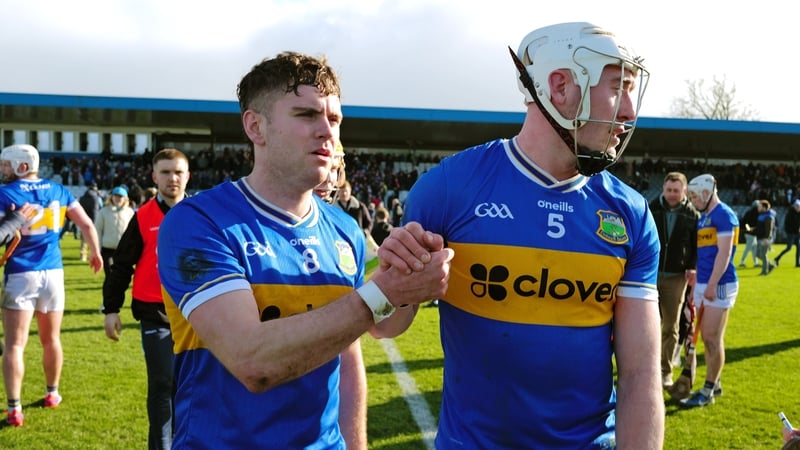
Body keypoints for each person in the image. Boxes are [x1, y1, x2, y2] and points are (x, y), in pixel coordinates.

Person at [156, 51, 452, 448]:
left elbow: (369, 336)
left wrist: (408, 283)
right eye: (306, 115)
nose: (327, 132)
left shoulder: (343, 228)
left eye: (334, 119)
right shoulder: (199, 221)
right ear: (256, 126)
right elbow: (253, 361)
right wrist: (384, 292)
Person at [392, 22, 663, 448]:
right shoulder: (449, 187)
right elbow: (390, 325)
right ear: (559, 87)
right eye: (617, 87)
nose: (629, 110)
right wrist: (394, 285)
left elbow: (640, 374)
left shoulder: (629, 212)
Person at [0, 144, 103, 427]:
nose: (3, 169)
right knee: (52, 339)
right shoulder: (59, 190)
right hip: (53, 273)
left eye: (6, 164)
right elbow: (86, 224)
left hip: (20, 272)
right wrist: (95, 251)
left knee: (14, 345)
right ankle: (52, 393)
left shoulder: (5, 192)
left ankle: (14, 407)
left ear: (22, 166)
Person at [101, 149, 190, 449]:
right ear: (154, 177)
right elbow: (122, 265)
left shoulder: (201, 215)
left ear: (187, 175)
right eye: (165, 172)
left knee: (189, 388)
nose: (172, 178)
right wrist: (111, 309)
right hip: (156, 314)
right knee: (163, 385)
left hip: (197, 316)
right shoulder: (142, 217)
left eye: (178, 172)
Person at [681, 173, 739, 408]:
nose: (693, 200)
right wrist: (696, 273)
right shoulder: (705, 218)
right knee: (708, 338)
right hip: (705, 281)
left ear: (707, 192)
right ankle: (715, 382)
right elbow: (705, 252)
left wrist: (713, 284)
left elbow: (725, 254)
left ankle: (707, 390)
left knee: (712, 339)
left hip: (720, 283)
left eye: (695, 196)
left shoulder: (724, 215)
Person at [649, 172, 699, 388]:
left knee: (671, 327)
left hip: (676, 278)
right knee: (645, 326)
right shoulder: (652, 208)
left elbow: (697, 245)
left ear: (684, 191)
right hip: (649, 275)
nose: (672, 194)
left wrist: (693, 267)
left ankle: (664, 371)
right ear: (663, 189)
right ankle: (643, 368)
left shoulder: (693, 215)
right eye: (668, 190)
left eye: (676, 191)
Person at [94, 186, 135, 277]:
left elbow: (133, 233)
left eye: (120, 197)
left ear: (125, 199)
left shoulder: (130, 212)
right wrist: (97, 248)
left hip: (123, 250)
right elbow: (98, 231)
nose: (118, 199)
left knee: (121, 276)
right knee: (110, 274)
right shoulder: (103, 212)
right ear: (111, 197)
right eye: (116, 196)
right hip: (108, 249)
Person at [78, 182, 103, 261]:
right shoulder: (97, 198)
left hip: (83, 220)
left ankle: (83, 255)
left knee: (84, 239)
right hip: (93, 220)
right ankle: (95, 255)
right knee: (94, 239)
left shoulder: (82, 197)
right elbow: (99, 209)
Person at [775, 198, 800, 267]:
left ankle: (797, 263)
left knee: (799, 248)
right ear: (794, 206)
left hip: (797, 233)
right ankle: (777, 258)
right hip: (791, 234)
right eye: (797, 206)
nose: (798, 208)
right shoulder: (790, 214)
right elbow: (788, 225)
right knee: (789, 248)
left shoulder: (798, 214)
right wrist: (790, 231)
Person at [755, 199, 777, 275]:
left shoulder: (768, 216)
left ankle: (764, 271)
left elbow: (769, 228)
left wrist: (767, 238)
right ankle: (770, 265)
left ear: (764, 207)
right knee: (757, 254)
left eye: (759, 206)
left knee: (763, 254)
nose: (758, 208)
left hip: (765, 238)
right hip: (761, 237)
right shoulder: (762, 215)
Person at [738, 201, 760, 267]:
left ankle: (755, 262)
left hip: (748, 232)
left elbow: (744, 222)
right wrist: (751, 229)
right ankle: (742, 261)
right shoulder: (757, 214)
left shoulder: (748, 213)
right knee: (749, 248)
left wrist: (748, 228)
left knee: (753, 248)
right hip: (752, 233)